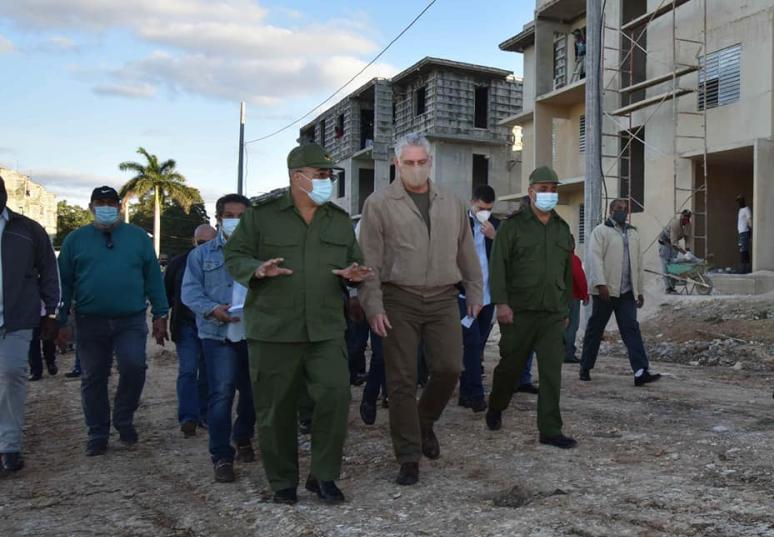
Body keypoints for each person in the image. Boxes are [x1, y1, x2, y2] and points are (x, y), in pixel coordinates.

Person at [224, 143, 372, 505]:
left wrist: (354, 276)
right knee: (276, 410)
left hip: (324, 328)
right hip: (274, 329)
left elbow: (356, 263)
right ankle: (282, 482)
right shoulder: (263, 215)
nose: (327, 181)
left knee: (335, 399)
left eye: (329, 175)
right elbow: (235, 254)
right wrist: (255, 270)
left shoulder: (337, 219)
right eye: (321, 175)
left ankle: (323, 476)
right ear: (297, 177)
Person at [359, 133, 483, 485]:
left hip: (444, 297)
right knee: (401, 380)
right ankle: (408, 456)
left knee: (449, 368)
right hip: (399, 298)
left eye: (421, 162)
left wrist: (475, 290)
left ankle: (424, 419)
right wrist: (373, 305)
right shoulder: (379, 204)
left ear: (431, 162)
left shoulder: (452, 203)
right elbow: (370, 260)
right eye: (408, 163)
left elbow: (466, 252)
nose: (415, 169)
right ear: (397, 165)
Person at [57, 186, 169, 456]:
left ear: (119, 207)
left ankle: (123, 417)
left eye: (111, 202)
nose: (106, 207)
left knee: (134, 367)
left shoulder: (138, 238)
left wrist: (160, 313)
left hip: (130, 318)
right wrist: (60, 321)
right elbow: (64, 283)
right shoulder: (75, 240)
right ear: (91, 206)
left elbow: (153, 276)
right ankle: (97, 432)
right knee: (94, 376)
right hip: (89, 320)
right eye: (100, 202)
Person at [485, 166, 577, 449]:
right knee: (510, 368)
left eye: (553, 189)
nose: (549, 194)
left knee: (551, 372)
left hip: (552, 313)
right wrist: (501, 303)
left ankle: (550, 429)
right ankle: (496, 405)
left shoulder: (563, 229)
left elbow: (567, 274)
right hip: (519, 311)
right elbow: (498, 266)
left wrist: (565, 311)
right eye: (543, 189)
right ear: (531, 192)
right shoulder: (512, 227)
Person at [182, 196, 256, 483]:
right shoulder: (201, 256)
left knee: (253, 392)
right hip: (217, 334)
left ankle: (244, 434)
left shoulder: (260, 253)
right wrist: (213, 309)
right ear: (219, 218)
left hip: (253, 334)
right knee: (221, 394)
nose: (235, 220)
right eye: (229, 215)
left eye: (241, 215)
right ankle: (221, 455)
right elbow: (190, 292)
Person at [0, 176, 60, 473]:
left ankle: (9, 446)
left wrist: (51, 312)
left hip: (16, 318)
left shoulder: (27, 229)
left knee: (12, 375)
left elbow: (49, 269)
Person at [458, 185, 535, 411]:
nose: (485, 213)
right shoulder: (459, 225)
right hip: (463, 294)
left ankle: (465, 392)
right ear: (472, 202)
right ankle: (476, 394)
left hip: (488, 297)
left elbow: (512, 256)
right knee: (470, 343)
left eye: (489, 209)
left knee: (477, 345)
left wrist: (495, 237)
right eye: (481, 208)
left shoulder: (498, 226)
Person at [579, 199, 661, 387]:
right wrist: (601, 284)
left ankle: (640, 371)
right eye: (618, 209)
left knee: (631, 329)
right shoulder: (601, 232)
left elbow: (638, 264)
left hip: (626, 292)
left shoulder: (633, 234)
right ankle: (585, 366)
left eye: (625, 209)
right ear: (610, 211)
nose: (622, 212)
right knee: (595, 329)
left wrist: (639, 290)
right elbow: (594, 259)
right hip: (606, 291)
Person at [164, 223, 216, 438]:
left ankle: (204, 413)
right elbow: (167, 293)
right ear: (194, 242)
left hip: (212, 325)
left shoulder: (223, 261)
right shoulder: (178, 263)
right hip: (186, 325)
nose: (204, 247)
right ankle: (188, 417)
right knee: (187, 370)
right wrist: (161, 318)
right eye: (201, 243)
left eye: (209, 243)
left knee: (207, 372)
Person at [564, 235, 589, 364]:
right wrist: (584, 294)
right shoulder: (573, 259)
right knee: (572, 326)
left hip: (557, 297)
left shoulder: (555, 259)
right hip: (572, 297)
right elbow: (579, 278)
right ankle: (568, 352)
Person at [658, 209, 692, 293]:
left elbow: (687, 237)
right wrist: (684, 253)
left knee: (673, 265)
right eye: (685, 216)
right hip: (665, 243)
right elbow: (674, 243)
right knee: (666, 265)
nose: (686, 218)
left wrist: (688, 249)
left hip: (673, 243)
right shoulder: (675, 224)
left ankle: (672, 288)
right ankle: (668, 288)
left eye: (688, 217)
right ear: (681, 216)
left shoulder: (688, 224)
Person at [736, 195, 752, 274]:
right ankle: (747, 269)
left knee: (744, 251)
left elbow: (749, 221)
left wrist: (750, 232)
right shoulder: (740, 210)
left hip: (745, 232)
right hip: (741, 233)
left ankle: (744, 270)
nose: (739, 203)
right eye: (738, 201)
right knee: (743, 251)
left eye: (740, 201)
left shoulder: (746, 209)